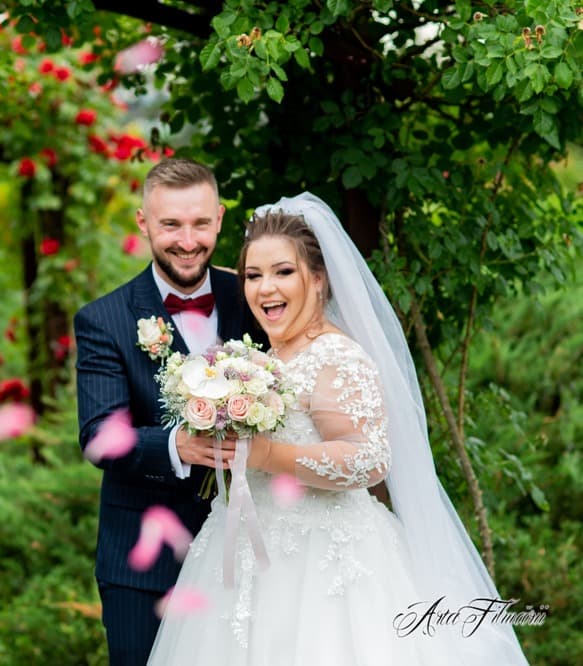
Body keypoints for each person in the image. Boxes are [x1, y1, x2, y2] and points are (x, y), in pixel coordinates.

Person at [147, 193, 529, 665]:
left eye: (283, 272)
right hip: (241, 556)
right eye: (253, 275)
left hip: (323, 564)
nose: (266, 288)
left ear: (318, 278)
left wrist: (266, 455)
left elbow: (368, 459)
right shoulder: (261, 361)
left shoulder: (336, 356)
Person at [74, 158, 263, 666]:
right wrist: (176, 445)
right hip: (143, 565)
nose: (188, 240)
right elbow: (98, 435)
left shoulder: (257, 298)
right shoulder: (104, 319)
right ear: (143, 223)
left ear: (219, 219)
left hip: (250, 553)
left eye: (200, 223)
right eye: (171, 225)